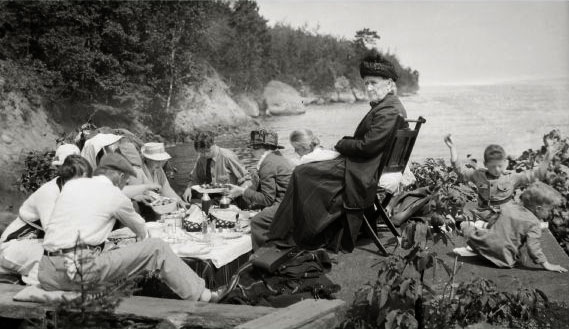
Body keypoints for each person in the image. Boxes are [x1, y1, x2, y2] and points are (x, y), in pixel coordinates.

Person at [267, 53, 408, 252]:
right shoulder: (389, 106)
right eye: (366, 83)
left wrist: (341, 144)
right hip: (364, 166)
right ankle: (293, 232)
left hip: (362, 171)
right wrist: (347, 143)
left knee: (302, 173)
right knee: (307, 171)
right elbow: (370, 143)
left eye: (373, 83)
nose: (369, 88)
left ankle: (295, 235)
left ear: (389, 83)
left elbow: (368, 146)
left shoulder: (388, 110)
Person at [38, 154, 225, 302]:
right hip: (77, 273)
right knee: (157, 248)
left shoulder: (73, 185)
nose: (125, 185)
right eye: (126, 181)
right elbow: (142, 232)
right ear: (120, 177)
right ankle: (205, 296)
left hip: (47, 272)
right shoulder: (115, 196)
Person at [0, 155, 92, 283]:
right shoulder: (49, 193)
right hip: (11, 246)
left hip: (34, 244)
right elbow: (53, 234)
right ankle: (34, 281)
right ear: (67, 177)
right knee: (56, 255)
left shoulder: (71, 192)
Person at [444, 134, 555, 227]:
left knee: (524, 221)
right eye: (492, 167)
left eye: (500, 166)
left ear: (505, 163)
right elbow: (460, 170)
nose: (497, 170)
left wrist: (549, 154)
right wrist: (452, 148)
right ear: (485, 164)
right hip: (483, 214)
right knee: (461, 221)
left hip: (506, 215)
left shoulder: (511, 177)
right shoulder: (478, 175)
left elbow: (537, 174)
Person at [461, 181, 567, 272]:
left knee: (468, 228)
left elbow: (494, 219)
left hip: (484, 245)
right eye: (549, 210)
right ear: (538, 209)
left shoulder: (510, 206)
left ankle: (463, 223)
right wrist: (546, 264)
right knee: (518, 249)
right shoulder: (534, 224)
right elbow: (533, 248)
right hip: (504, 259)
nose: (550, 213)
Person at [289, 129, 415, 194]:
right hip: (380, 173)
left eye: (296, 149)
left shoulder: (307, 158)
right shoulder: (326, 153)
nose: (295, 152)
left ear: (305, 147)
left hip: (357, 182)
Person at [227, 130, 294, 250]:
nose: (251, 151)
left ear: (261, 148)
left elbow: (268, 199)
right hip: (290, 201)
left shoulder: (268, 164)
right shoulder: (277, 157)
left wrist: (242, 191)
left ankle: (263, 256)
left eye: (252, 147)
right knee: (250, 210)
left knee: (257, 221)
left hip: (285, 206)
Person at [182, 131, 250, 202]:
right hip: (211, 195)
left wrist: (230, 197)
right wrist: (188, 188)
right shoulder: (201, 159)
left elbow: (247, 180)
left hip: (230, 196)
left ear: (213, 144)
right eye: (201, 152)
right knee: (187, 195)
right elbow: (195, 179)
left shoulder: (227, 157)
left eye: (208, 151)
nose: (205, 155)